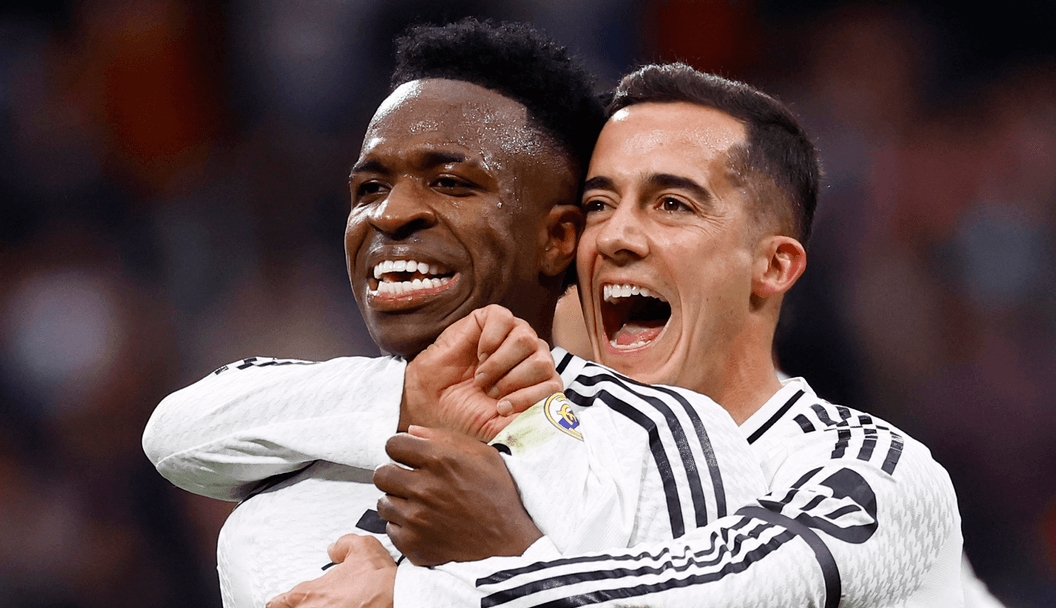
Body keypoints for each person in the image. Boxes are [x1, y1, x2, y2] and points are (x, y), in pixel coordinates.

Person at [263, 64, 966, 607]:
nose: (615, 237)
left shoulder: (868, 472)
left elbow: (720, 592)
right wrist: (405, 401)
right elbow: (199, 439)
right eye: (599, 203)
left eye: (672, 203)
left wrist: (447, 576)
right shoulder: (537, 435)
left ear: (773, 266)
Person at [142, 21, 768, 608]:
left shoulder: (659, 437)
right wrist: (411, 398)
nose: (390, 214)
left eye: (449, 183)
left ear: (558, 238)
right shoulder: (306, 440)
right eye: (370, 188)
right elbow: (173, 435)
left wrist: (448, 577)